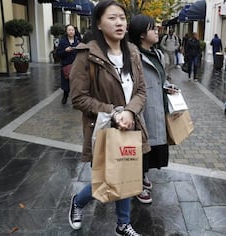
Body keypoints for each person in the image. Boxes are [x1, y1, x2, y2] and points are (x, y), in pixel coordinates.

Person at [69, 1, 150, 235]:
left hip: (131, 125)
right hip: (103, 127)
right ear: (98, 23)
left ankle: (123, 224)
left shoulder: (132, 52)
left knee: (126, 175)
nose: (119, 23)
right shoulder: (87, 55)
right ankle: (78, 201)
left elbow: (142, 91)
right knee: (106, 179)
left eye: (122, 18)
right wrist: (114, 111)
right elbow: (79, 98)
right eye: (112, 18)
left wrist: (129, 111)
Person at [129, 14, 177, 204]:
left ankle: (143, 175)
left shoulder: (157, 53)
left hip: (158, 105)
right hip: (142, 108)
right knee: (140, 145)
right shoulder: (133, 55)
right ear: (141, 34)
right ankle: (136, 184)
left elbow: (161, 78)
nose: (157, 31)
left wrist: (168, 87)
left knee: (153, 145)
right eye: (152, 28)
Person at [56, 24, 80, 104]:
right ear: (66, 32)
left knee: (76, 84)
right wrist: (65, 51)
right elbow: (58, 54)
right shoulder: (63, 42)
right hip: (66, 65)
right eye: (69, 30)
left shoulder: (78, 40)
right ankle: (65, 95)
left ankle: (75, 99)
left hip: (76, 65)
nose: (71, 32)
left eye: (72, 30)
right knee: (66, 84)